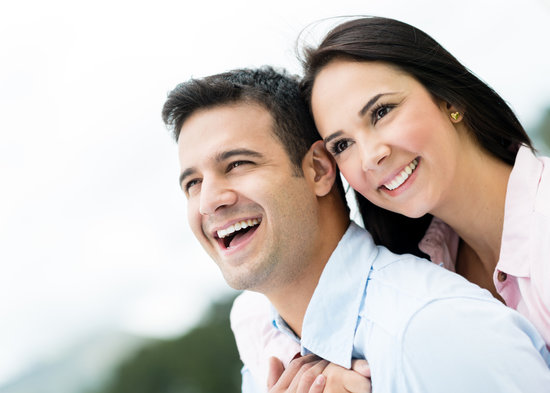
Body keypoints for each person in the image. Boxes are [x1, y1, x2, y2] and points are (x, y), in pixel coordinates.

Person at [162, 66, 550, 393]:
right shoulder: (255, 325)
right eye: (192, 183)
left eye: (237, 164)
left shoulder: (435, 328)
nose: (209, 200)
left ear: (317, 169)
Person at [300, 16, 550, 346]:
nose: (370, 156)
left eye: (381, 112)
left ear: (449, 99)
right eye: (343, 145)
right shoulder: (422, 275)